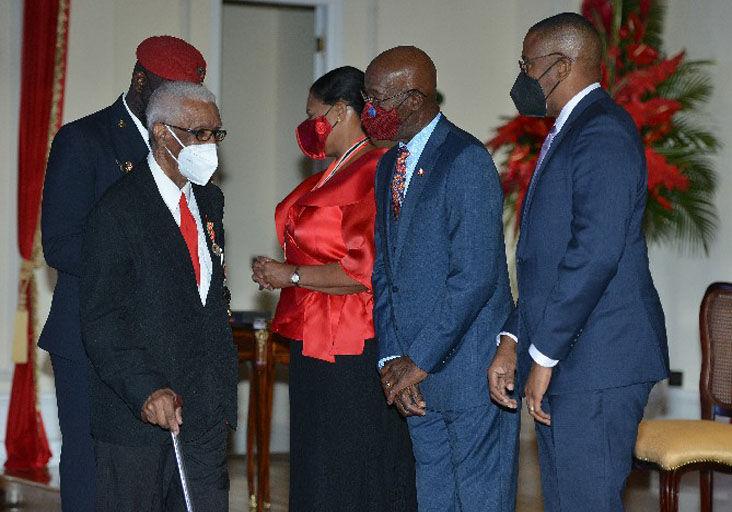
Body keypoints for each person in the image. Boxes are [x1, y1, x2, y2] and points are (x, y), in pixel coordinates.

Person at [488, 13, 669, 512]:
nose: (522, 75)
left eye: (528, 64)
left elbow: (593, 255)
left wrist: (544, 356)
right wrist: (513, 338)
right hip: (576, 356)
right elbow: (546, 261)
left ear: (561, 64)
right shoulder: (571, 130)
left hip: (597, 360)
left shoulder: (602, 131)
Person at [40, 35, 206, 511]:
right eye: (169, 95)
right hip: (90, 339)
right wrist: (142, 272)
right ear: (140, 81)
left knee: (153, 475)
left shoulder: (185, 146)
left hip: (163, 342)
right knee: (93, 471)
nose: (180, 109)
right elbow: (61, 243)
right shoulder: (85, 140)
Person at [251, 66, 418, 511]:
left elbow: (364, 270)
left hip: (352, 343)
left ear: (342, 111)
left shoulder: (375, 169)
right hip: (313, 340)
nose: (308, 126)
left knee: (347, 465)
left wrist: (291, 275)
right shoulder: (332, 171)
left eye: (314, 114)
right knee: (316, 462)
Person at [364, 46, 519, 511]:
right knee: (433, 499)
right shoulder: (390, 163)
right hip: (414, 376)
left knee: (479, 501)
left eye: (375, 99)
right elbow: (385, 271)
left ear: (412, 100)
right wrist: (393, 358)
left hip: (468, 370)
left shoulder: (466, 160)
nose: (367, 111)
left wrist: (420, 358)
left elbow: (473, 276)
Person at [80, 81, 236, 511]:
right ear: (163, 134)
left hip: (204, 412)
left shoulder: (210, 201)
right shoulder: (117, 210)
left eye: (216, 133)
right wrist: (146, 388)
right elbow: (102, 318)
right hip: (139, 417)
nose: (210, 145)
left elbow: (205, 296)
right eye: (200, 133)